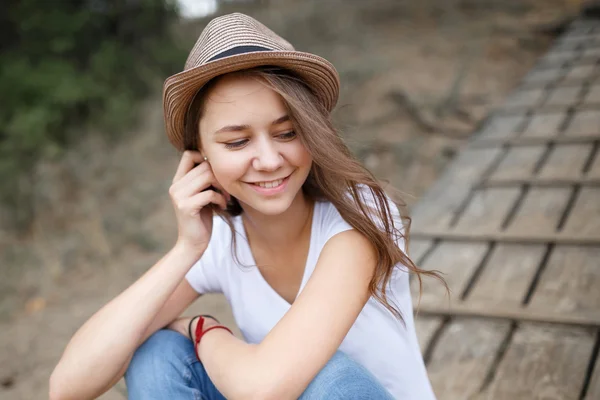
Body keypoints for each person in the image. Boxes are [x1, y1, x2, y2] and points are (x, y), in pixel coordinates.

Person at [49, 13, 441, 400]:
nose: (269, 160)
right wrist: (186, 248)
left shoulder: (361, 214)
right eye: (237, 142)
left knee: (328, 377)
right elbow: (68, 386)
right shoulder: (222, 240)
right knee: (155, 355)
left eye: (287, 133)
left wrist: (201, 328)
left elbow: (263, 387)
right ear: (200, 155)